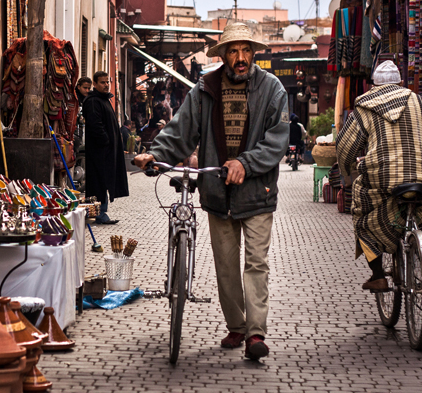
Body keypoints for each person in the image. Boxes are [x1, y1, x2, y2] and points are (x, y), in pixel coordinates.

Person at [135, 22, 288, 361]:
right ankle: (236, 325)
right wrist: (156, 155)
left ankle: (256, 333)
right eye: (233, 51)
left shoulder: (272, 89)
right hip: (217, 192)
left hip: (257, 191)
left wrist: (245, 164)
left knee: (256, 263)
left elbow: (277, 139)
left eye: (246, 50)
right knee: (225, 265)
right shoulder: (204, 89)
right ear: (223, 56)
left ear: (254, 53)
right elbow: (181, 131)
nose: (240, 57)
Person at [335, 60, 422, 297]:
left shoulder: (364, 107)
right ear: (401, 83)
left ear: (373, 85)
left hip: (384, 179)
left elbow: (345, 149)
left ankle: (378, 275)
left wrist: (345, 171)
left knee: (361, 213)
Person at [83, 71, 129, 224]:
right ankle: (99, 213)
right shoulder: (93, 101)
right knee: (99, 181)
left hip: (106, 151)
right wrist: (106, 141)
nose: (106, 85)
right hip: (99, 151)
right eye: (102, 83)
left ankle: (102, 212)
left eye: (107, 82)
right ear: (94, 84)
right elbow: (95, 125)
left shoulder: (103, 100)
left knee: (105, 180)